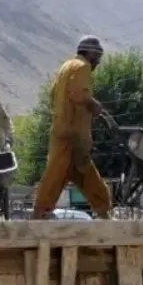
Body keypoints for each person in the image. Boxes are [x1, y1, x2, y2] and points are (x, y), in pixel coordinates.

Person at [32, 36, 113, 219]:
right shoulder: (83, 67)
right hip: (71, 135)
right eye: (98, 56)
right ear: (90, 53)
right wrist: (94, 105)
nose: (98, 61)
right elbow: (79, 94)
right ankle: (37, 217)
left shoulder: (66, 66)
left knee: (87, 175)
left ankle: (104, 214)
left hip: (66, 131)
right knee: (55, 175)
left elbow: (53, 93)